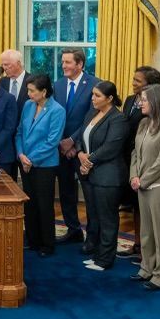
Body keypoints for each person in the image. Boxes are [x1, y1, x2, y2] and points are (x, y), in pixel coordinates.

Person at [128, 84, 160, 289]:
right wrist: (134, 176)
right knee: (147, 231)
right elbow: (135, 153)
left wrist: (144, 179)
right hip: (141, 183)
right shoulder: (143, 123)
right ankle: (147, 268)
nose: (140, 103)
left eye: (144, 100)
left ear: (156, 102)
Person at [73, 81, 129, 271]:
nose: (93, 99)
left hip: (109, 176)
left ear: (110, 98)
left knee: (108, 219)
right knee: (95, 216)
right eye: (93, 95)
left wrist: (89, 162)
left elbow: (111, 147)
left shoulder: (118, 118)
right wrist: (80, 154)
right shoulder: (92, 112)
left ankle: (105, 260)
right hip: (91, 173)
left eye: (97, 96)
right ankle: (98, 255)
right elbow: (81, 136)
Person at [15, 74, 65, 257]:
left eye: (31, 91)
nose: (28, 94)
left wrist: (31, 160)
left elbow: (52, 142)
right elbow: (19, 132)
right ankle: (33, 239)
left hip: (45, 165)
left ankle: (47, 244)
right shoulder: (28, 105)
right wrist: (21, 155)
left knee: (44, 204)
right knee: (30, 204)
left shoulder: (57, 110)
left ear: (44, 92)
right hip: (25, 162)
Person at [117, 66, 160, 259]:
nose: (133, 83)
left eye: (138, 81)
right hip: (128, 158)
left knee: (143, 207)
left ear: (149, 85)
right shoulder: (129, 100)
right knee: (134, 205)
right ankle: (137, 245)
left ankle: (147, 249)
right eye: (134, 79)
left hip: (145, 160)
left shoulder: (154, 104)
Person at [54, 48, 99, 244]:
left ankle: (93, 235)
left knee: (89, 194)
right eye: (62, 62)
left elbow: (92, 118)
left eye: (68, 62)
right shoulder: (57, 85)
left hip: (84, 150)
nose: (63, 66)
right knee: (65, 191)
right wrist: (63, 143)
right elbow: (55, 116)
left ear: (79, 64)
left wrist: (73, 142)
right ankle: (73, 230)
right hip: (62, 149)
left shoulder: (95, 84)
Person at [0, 49, 31, 181]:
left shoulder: (33, 81)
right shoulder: (1, 83)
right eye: (3, 65)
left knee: (28, 181)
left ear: (18, 63)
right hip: (5, 140)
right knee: (7, 181)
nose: (4, 68)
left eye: (7, 65)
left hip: (25, 139)